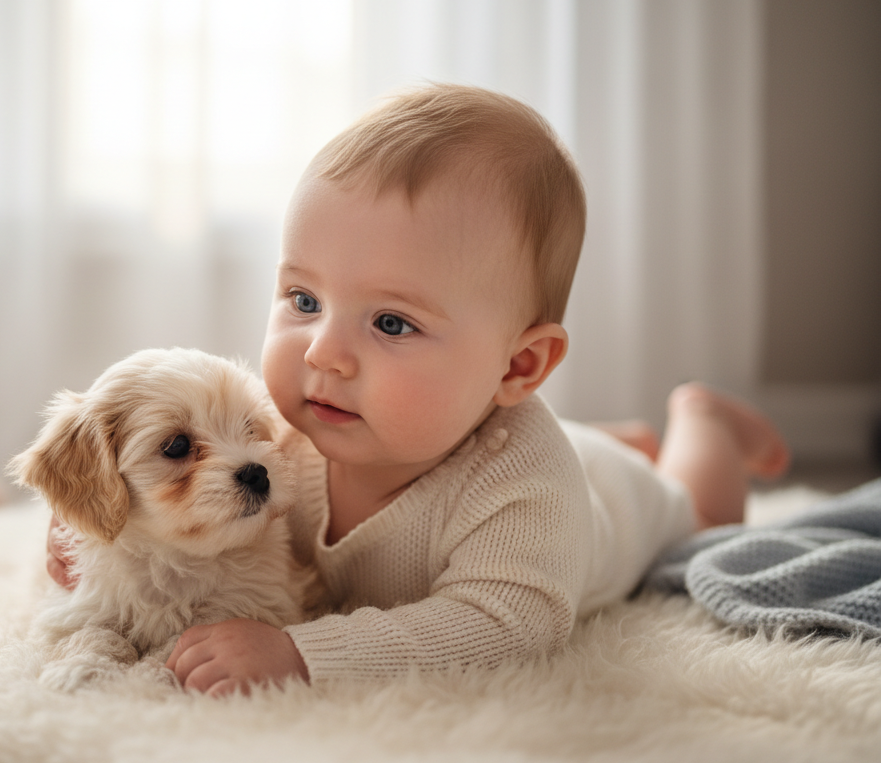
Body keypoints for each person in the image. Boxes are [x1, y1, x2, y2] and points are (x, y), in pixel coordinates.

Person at [46, 84, 789, 695]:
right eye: (303, 301)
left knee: (703, 515)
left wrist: (305, 654)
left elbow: (505, 622)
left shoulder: (523, 489)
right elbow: (133, 469)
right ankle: (607, 435)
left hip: (609, 509)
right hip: (553, 451)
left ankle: (702, 420)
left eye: (392, 324)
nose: (324, 354)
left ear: (517, 370)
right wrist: (84, 523)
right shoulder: (289, 426)